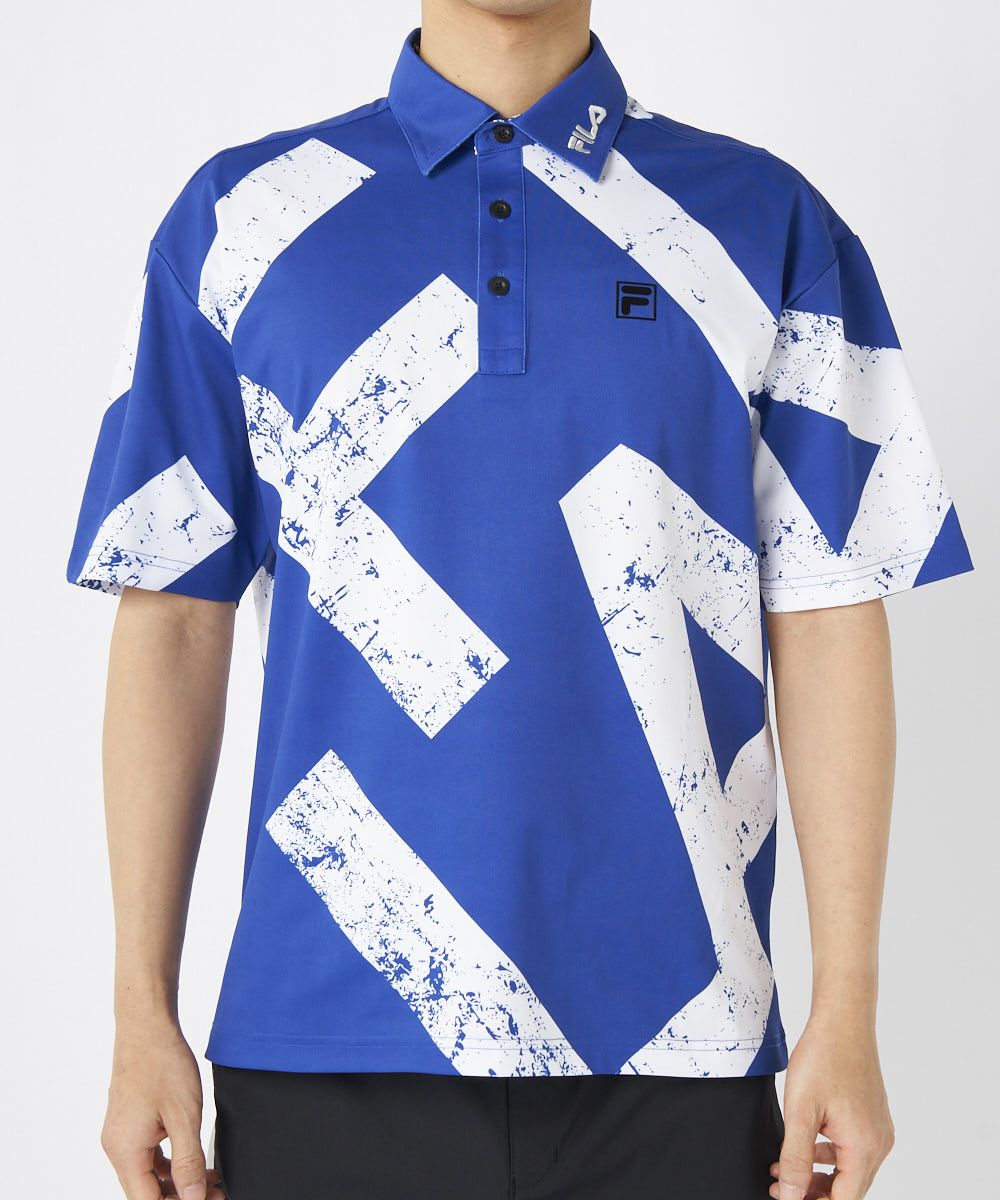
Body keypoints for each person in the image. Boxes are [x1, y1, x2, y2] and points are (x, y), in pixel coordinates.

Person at [65, 1, 975, 1197]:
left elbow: (828, 615)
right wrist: (140, 1014)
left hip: (680, 1042)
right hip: (323, 1035)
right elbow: (174, 617)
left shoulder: (768, 221)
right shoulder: (240, 217)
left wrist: (845, 1010)